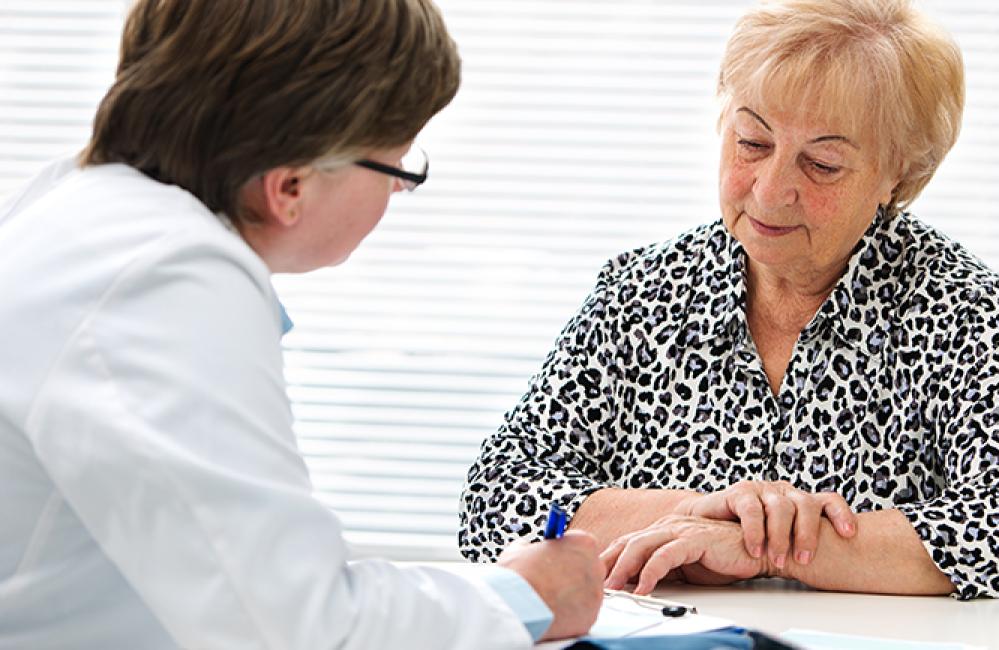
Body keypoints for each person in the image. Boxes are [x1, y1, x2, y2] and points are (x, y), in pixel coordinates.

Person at [0, 0, 603, 647]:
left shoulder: (82, 211)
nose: (398, 190)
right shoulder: (167, 277)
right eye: (399, 163)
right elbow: (296, 629)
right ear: (289, 186)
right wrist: (524, 597)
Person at [460, 0, 999, 601]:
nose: (773, 189)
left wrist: (768, 548)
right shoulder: (639, 293)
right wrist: (699, 518)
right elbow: (495, 500)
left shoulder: (959, 307)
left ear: (901, 174)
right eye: (752, 142)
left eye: (823, 163)